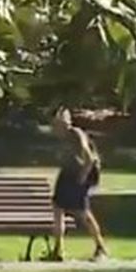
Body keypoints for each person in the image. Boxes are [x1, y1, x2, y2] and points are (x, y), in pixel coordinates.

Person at [46, 108, 110, 261]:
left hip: (82, 173)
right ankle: (58, 250)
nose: (54, 128)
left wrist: (82, 177)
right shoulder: (61, 137)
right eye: (54, 125)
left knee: (82, 212)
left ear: (65, 123)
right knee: (57, 207)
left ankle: (101, 248)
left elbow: (89, 159)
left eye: (57, 124)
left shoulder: (76, 134)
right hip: (68, 172)